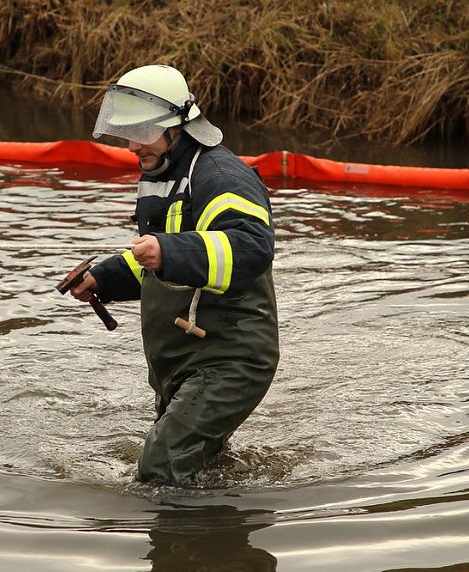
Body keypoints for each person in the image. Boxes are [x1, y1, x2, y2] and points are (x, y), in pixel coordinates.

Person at [70, 64, 279, 486]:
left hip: (229, 357)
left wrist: (167, 250)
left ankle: (184, 545)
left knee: (159, 469)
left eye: (142, 133)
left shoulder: (221, 176)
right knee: (198, 468)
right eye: (128, 134)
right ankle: (215, 541)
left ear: (178, 127)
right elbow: (162, 258)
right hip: (184, 356)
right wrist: (106, 278)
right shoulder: (162, 171)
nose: (131, 146)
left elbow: (251, 247)